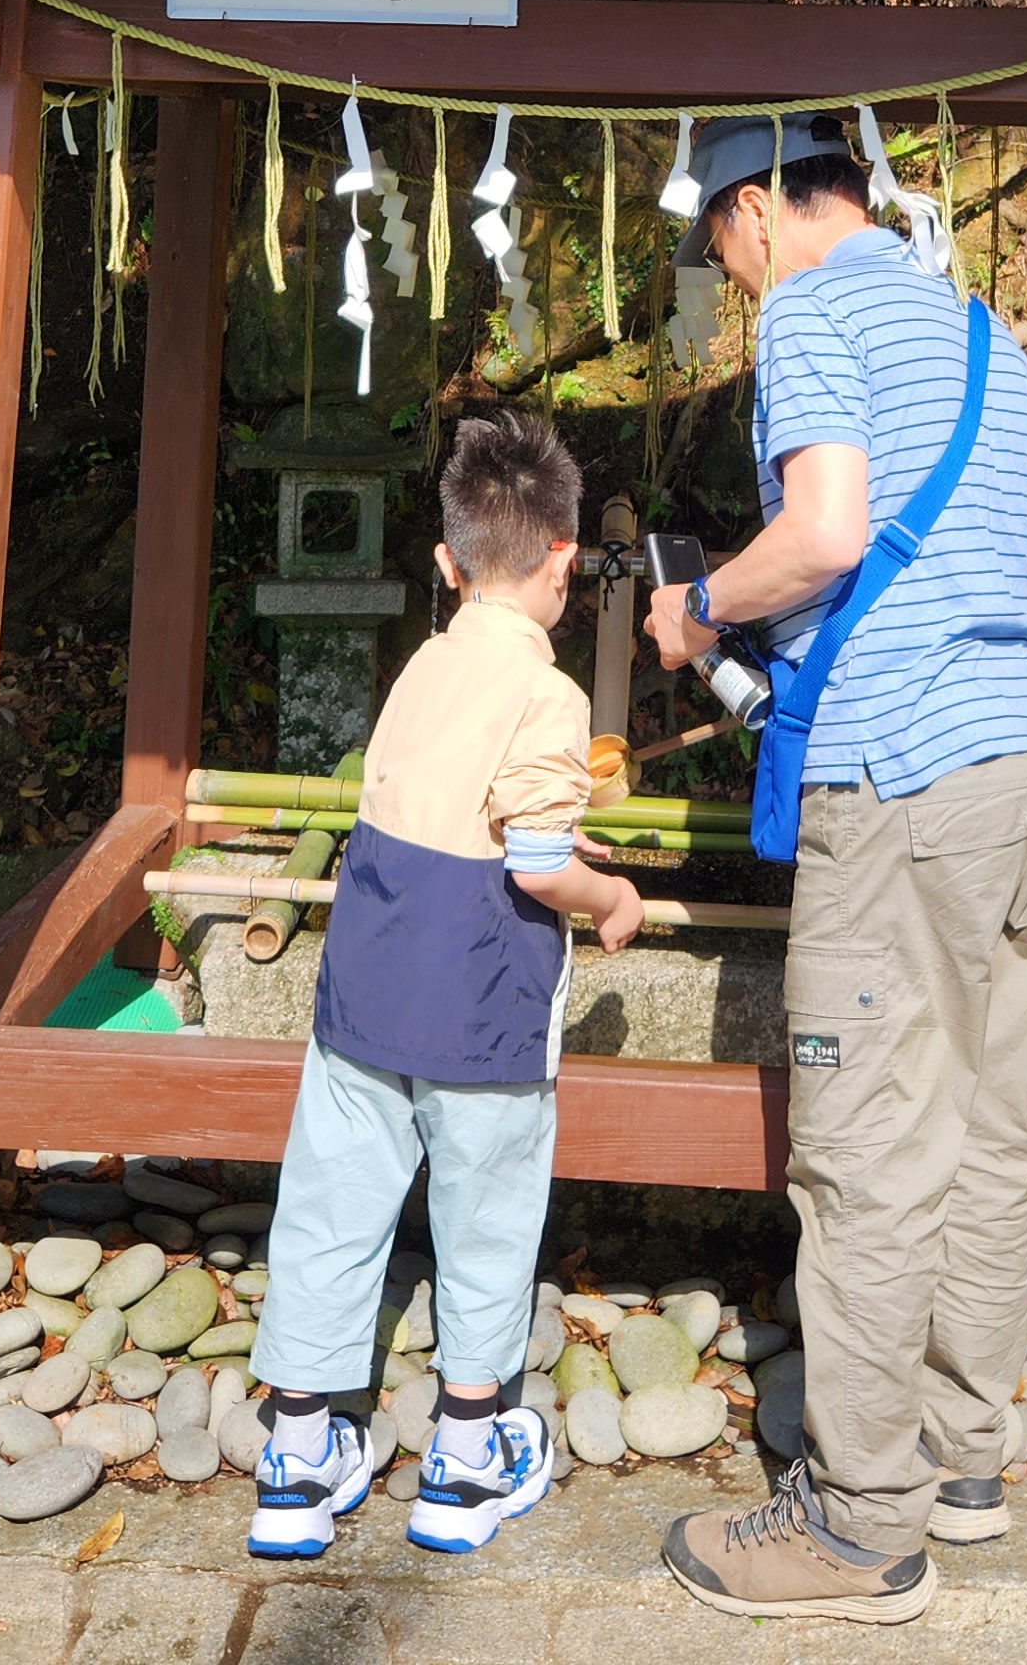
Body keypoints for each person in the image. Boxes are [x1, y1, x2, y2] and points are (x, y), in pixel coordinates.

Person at [644, 114, 1027, 1625]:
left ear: (760, 210)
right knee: (983, 1123)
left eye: (721, 247)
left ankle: (855, 1527)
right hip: (1019, 758)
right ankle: (961, 1465)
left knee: (863, 1149)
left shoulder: (812, 309)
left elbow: (826, 533)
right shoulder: (981, 330)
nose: (732, 276)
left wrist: (705, 607)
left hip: (897, 771)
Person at [245, 407, 646, 1563]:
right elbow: (533, 864)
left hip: (365, 993)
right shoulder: (549, 695)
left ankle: (297, 1459)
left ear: (445, 562)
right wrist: (606, 896)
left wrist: (552, 838)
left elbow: (458, 811)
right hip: (480, 1004)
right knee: (485, 1216)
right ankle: (465, 1458)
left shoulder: (421, 665)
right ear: (564, 562)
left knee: (329, 1209)